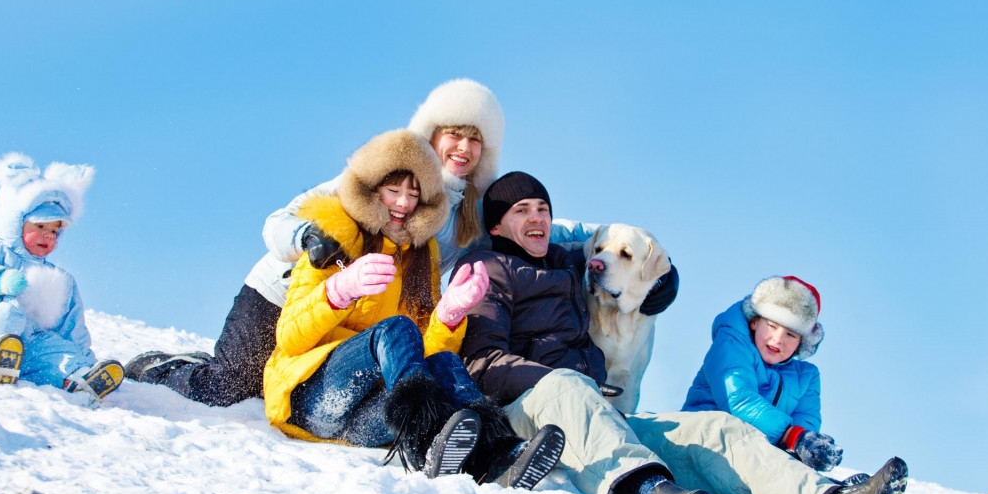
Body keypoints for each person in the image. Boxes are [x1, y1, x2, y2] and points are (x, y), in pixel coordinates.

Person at [125, 79, 656, 406]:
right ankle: (163, 368)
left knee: (302, 391)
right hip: (286, 291)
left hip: (359, 318)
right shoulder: (387, 172)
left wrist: (652, 266)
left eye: (475, 138)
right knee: (228, 388)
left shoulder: (475, 212)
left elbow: (552, 228)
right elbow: (277, 220)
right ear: (432, 133)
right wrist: (308, 238)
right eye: (454, 133)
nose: (464, 147)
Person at [454, 171, 907, 494]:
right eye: (521, 210)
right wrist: (558, 382)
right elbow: (481, 363)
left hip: (593, 412)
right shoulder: (485, 268)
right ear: (496, 225)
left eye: (543, 209)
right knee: (571, 386)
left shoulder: (572, 263)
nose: (537, 217)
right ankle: (649, 491)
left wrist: (665, 282)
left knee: (715, 429)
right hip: (525, 414)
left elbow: (633, 255)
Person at [263, 130, 564, 487]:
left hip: (373, 415)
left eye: (414, 194)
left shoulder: (422, 258)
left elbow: (424, 355)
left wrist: (449, 317)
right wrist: (337, 292)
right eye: (394, 190)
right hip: (311, 400)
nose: (404, 203)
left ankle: (498, 453)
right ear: (372, 189)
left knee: (446, 362)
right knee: (397, 329)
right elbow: (289, 337)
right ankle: (427, 444)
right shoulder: (336, 237)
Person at [682, 276, 899, 488]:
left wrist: (808, 447)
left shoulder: (807, 376)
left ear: (802, 343)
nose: (778, 339)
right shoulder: (732, 344)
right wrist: (791, 435)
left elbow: (805, 421)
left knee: (785, 469)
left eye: (791, 334)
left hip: (754, 459)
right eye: (772, 325)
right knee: (752, 451)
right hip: (705, 445)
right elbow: (738, 399)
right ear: (755, 321)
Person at [0, 153, 123, 402]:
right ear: (15, 222)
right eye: (40, 226)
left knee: (55, 349)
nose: (49, 236)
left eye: (55, 230)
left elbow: (71, 324)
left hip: (29, 344)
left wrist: (84, 357)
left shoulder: (59, 278)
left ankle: (80, 377)